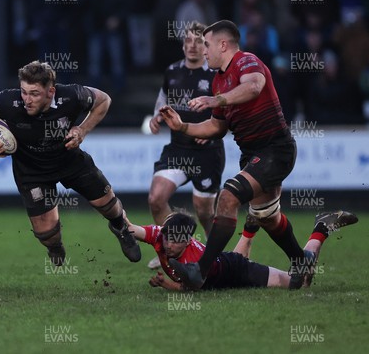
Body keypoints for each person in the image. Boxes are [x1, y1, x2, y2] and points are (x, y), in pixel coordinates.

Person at [158, 20, 307, 290]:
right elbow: (216, 126)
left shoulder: (246, 61)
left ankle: (200, 271)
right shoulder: (218, 80)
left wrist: (218, 100)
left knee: (227, 197)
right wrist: (183, 126)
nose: (203, 51)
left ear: (223, 45)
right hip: (252, 154)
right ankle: (301, 260)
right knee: (267, 217)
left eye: (206, 44)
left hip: (275, 149)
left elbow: (254, 86)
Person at [0, 60, 141, 265]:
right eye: (24, 92)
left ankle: (120, 227)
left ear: (51, 91)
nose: (27, 99)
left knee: (107, 205)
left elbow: (104, 100)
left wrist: (82, 129)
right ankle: (55, 245)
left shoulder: (71, 96)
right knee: (46, 233)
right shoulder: (6, 101)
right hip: (31, 170)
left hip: (69, 160)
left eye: (34, 93)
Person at [146, 21, 225, 269]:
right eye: (188, 40)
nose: (192, 46)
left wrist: (214, 133)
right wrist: (157, 116)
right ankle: (174, 249)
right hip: (178, 149)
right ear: (182, 45)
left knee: (204, 212)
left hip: (207, 153)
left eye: (198, 41)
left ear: (206, 47)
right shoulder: (172, 71)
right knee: (156, 198)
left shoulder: (216, 75)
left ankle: (216, 257)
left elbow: (232, 112)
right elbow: (163, 100)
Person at [127, 210, 358, 291]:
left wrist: (165, 284)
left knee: (300, 282)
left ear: (187, 240)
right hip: (225, 261)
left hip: (238, 271)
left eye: (174, 241)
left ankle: (322, 227)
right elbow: (131, 229)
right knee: (233, 256)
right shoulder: (160, 234)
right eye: (166, 237)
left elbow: (190, 288)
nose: (167, 244)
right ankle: (249, 228)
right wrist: (116, 217)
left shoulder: (193, 259)